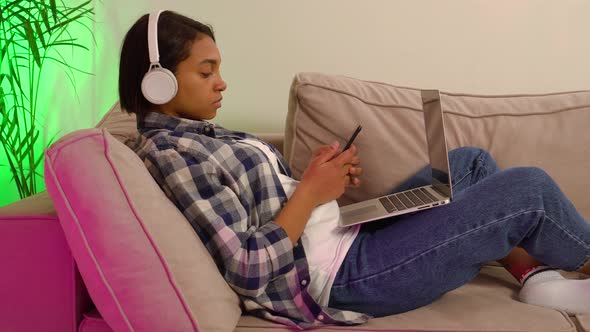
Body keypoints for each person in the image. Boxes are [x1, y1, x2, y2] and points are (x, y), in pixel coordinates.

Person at [120, 10, 590, 329]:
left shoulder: (204, 136)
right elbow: (246, 268)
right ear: (158, 81)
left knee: (470, 162)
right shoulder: (173, 154)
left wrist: (320, 183)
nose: (222, 82)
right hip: (343, 277)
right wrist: (309, 195)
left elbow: (274, 205)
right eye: (206, 72)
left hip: (346, 236)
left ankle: (533, 278)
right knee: (529, 188)